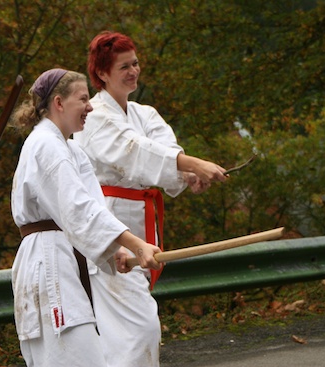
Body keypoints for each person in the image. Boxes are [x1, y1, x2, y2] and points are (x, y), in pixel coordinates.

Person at [73, 31, 228, 367]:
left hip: (143, 229)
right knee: (139, 328)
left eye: (136, 63)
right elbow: (135, 151)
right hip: (110, 233)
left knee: (125, 333)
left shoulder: (145, 114)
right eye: (124, 66)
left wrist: (189, 177)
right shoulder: (95, 115)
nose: (134, 71)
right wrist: (192, 164)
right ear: (101, 73)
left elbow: (164, 154)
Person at [10, 68, 162, 367]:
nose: (90, 106)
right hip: (48, 262)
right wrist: (136, 243)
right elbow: (77, 208)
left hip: (67, 258)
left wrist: (116, 250)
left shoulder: (70, 149)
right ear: (59, 103)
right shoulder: (45, 144)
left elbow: (95, 208)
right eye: (83, 99)